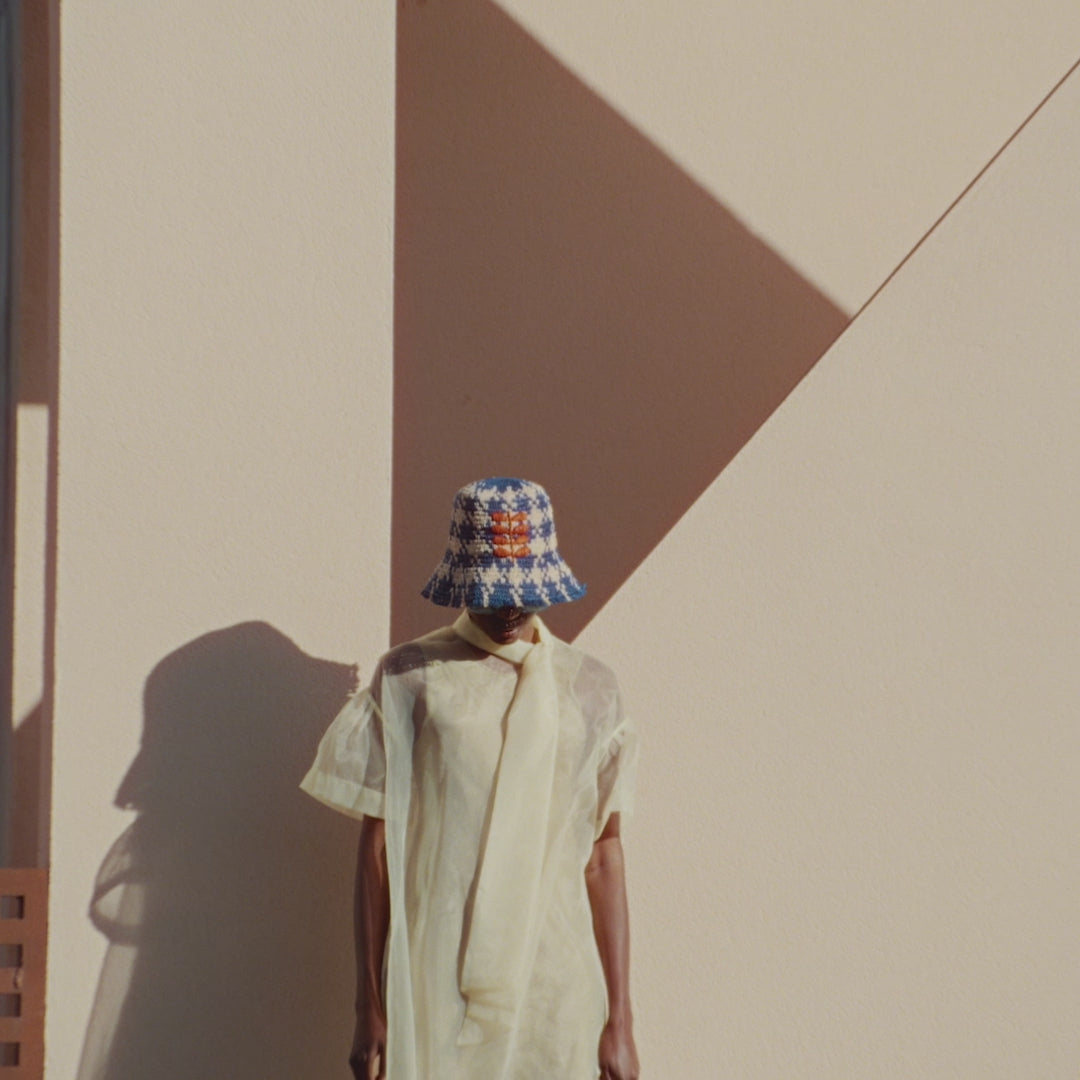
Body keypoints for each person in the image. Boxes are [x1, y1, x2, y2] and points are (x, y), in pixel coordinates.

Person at [301, 477, 639, 1079]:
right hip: (439, 982)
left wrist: (621, 1020)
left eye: (522, 593)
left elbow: (603, 856)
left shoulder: (590, 689)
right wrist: (368, 1006)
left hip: (555, 986)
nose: (508, 609)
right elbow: (377, 851)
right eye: (492, 592)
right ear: (463, 582)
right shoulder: (412, 677)